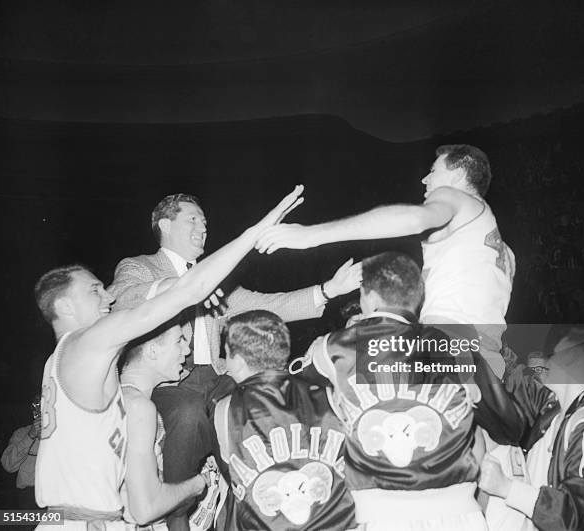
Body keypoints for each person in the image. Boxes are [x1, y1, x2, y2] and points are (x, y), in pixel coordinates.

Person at [33, 186, 304, 530]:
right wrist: (254, 233)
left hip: (101, 519)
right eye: (95, 290)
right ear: (65, 307)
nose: (107, 297)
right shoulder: (87, 342)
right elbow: (180, 292)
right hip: (76, 521)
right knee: (188, 416)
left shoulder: (99, 380)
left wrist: (196, 484)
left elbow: (145, 508)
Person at [108, 192, 360, 531]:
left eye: (205, 222)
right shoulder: (139, 267)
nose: (203, 227)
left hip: (217, 375)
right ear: (165, 225)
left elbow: (272, 305)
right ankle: (175, 513)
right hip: (169, 380)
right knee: (187, 414)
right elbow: (125, 298)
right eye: (192, 219)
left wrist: (328, 290)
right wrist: (186, 285)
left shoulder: (216, 277)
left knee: (270, 395)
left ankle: (269, 502)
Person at [296, 252, 523, 531]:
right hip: (458, 512)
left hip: (378, 514)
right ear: (417, 298)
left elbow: (299, 416)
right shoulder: (452, 343)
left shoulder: (330, 348)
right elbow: (509, 424)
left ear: (368, 296)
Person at [256, 144, 514, 377]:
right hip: (486, 359)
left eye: (433, 170)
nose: (425, 179)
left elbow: (415, 219)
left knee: (327, 357)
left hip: (451, 348)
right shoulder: (499, 249)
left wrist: (309, 235)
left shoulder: (455, 196)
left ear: (457, 175)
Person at [212, 310, 356, 531]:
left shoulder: (225, 409)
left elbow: (231, 472)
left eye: (227, 354)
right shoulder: (330, 395)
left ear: (239, 362)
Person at [480, 325, 584, 531]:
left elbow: (580, 514)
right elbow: (515, 377)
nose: (545, 362)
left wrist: (506, 487)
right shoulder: (553, 407)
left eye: (555, 355)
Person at [119, 321, 209, 529]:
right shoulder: (137, 407)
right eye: (179, 341)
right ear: (152, 351)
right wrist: (197, 484)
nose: (187, 351)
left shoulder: (123, 398)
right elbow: (144, 511)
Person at [0, 394, 41, 490]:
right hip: (29, 494)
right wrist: (30, 436)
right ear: (35, 412)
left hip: (56, 494)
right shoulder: (21, 433)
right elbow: (8, 465)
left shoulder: (61, 436)